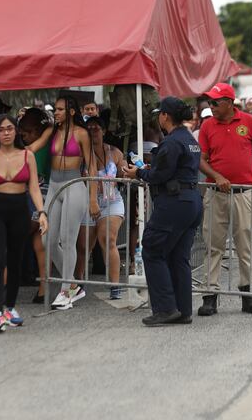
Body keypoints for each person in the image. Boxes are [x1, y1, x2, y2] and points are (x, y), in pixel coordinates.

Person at [123, 97, 202, 326]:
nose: (158, 117)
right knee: (179, 256)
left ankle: (166, 308)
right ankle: (183, 310)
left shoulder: (171, 142)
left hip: (174, 203)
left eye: (160, 114)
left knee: (152, 249)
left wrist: (137, 173)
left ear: (165, 116)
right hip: (190, 201)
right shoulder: (188, 139)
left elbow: (160, 176)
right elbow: (173, 170)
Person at [197, 83, 252, 315]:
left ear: (229, 102)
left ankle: (248, 293)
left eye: (215, 102)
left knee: (245, 245)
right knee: (213, 245)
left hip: (243, 193)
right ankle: (210, 295)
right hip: (215, 194)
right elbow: (200, 159)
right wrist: (216, 176)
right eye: (210, 102)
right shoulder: (207, 125)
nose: (212, 106)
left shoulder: (249, 121)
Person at [0, 114, 48, 332]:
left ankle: (10, 307)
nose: (6, 133)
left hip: (19, 210)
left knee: (15, 260)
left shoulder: (27, 156)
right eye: (2, 129)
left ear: (16, 131)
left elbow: (34, 187)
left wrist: (41, 212)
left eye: (10, 129)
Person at [38, 96, 98, 310]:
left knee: (67, 239)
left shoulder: (82, 134)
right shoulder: (53, 131)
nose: (57, 112)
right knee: (48, 241)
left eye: (61, 109)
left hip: (74, 185)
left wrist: (93, 199)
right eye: (56, 109)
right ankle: (73, 284)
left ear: (72, 111)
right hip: (54, 185)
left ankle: (66, 291)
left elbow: (91, 167)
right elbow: (34, 147)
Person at [83, 116, 127, 299]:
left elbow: (123, 166)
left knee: (108, 239)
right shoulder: (81, 153)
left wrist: (125, 170)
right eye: (89, 128)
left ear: (103, 131)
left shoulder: (114, 151)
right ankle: (76, 284)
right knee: (83, 247)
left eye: (96, 128)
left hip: (112, 201)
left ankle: (114, 285)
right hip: (86, 201)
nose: (93, 131)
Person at [19, 107, 52, 303]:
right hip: (38, 195)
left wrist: (47, 129)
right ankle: (43, 288)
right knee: (40, 244)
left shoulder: (36, 148)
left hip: (39, 195)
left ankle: (43, 287)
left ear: (36, 131)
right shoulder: (45, 142)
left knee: (30, 239)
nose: (23, 136)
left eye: (26, 132)